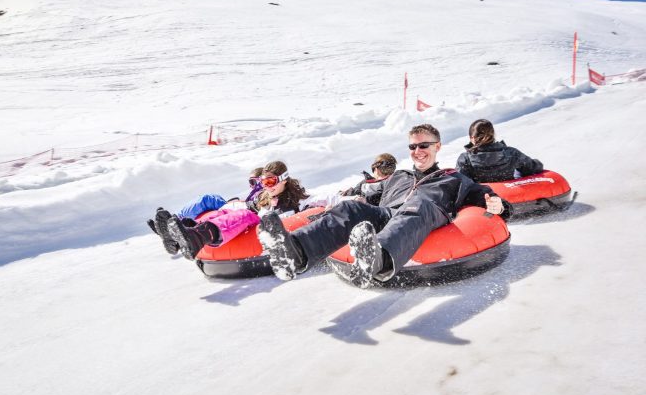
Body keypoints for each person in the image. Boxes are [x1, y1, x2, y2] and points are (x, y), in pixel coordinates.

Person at [257, 124, 510, 288]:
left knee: (418, 204)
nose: (418, 151)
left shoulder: (454, 178)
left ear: (437, 146)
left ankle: (380, 261)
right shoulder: (399, 176)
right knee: (351, 209)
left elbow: (489, 200)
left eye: (424, 145)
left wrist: (499, 205)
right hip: (389, 214)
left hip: (428, 214)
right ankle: (295, 253)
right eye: (413, 146)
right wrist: (348, 196)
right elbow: (366, 190)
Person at [166, 160, 318, 261]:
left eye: (271, 181)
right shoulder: (263, 198)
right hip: (255, 226)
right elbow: (243, 205)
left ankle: (199, 236)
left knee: (245, 215)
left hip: (270, 230)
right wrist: (225, 208)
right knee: (232, 211)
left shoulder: (299, 200)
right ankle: (184, 235)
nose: (267, 186)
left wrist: (340, 197)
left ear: (284, 179)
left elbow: (323, 201)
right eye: (264, 182)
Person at [148, 167, 264, 256]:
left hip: (248, 213)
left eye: (253, 182)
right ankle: (174, 225)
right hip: (237, 206)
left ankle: (195, 236)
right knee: (208, 199)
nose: (250, 186)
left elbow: (263, 207)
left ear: (260, 181)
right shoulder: (256, 193)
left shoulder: (265, 191)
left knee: (216, 204)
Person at [456, 119, 544, 182]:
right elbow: (533, 168)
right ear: (493, 135)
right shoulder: (511, 153)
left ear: (472, 138)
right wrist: (537, 162)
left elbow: (461, 183)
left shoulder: (465, 159)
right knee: (518, 172)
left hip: (484, 201)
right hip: (511, 198)